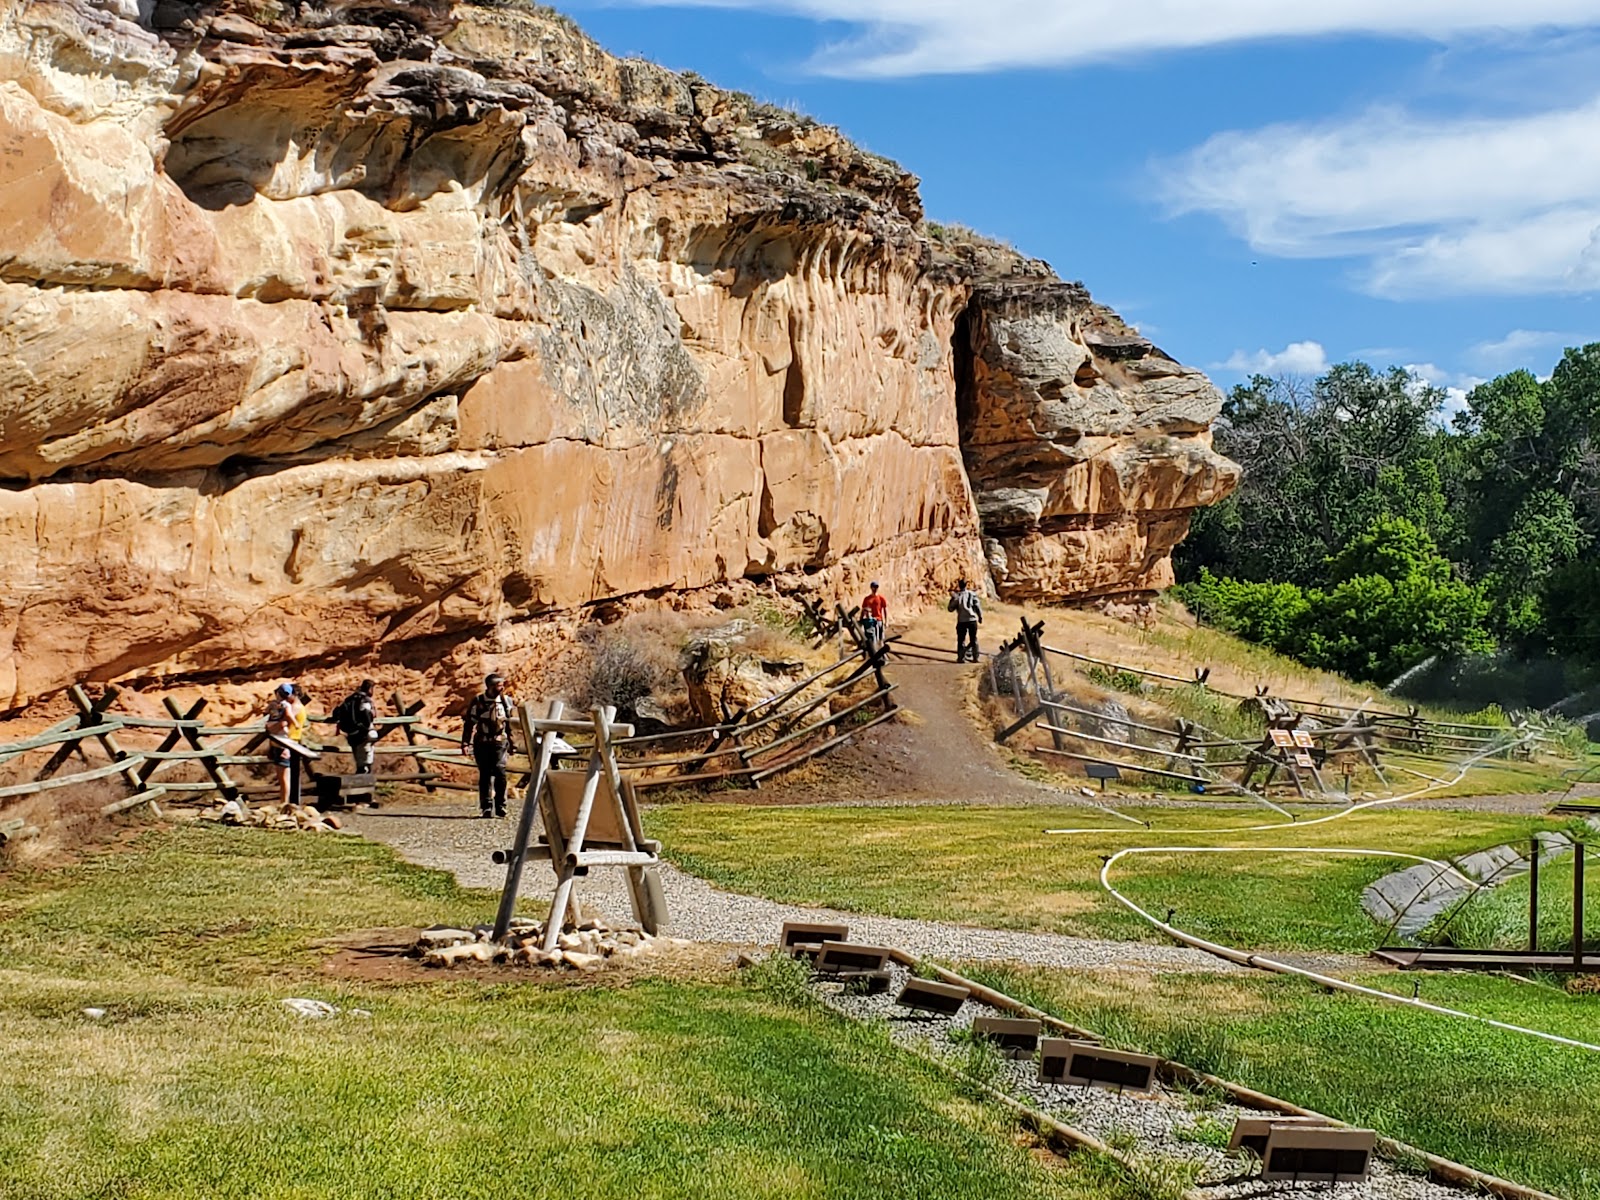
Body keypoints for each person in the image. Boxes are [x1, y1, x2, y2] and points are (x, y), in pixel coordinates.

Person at [461, 673, 515, 818]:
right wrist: (466, 742)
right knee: (485, 774)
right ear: (491, 687)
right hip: (482, 742)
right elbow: (469, 723)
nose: (502, 687)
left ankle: (501, 805)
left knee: (500, 771)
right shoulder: (478, 701)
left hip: (500, 742)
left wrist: (512, 743)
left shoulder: (507, 701)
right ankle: (486, 806)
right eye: (499, 685)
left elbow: (509, 723)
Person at [263, 682, 303, 806]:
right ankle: (285, 803)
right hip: (284, 742)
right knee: (284, 777)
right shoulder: (284, 705)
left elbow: (284, 722)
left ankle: (284, 804)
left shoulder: (290, 707)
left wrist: (269, 729)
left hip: (285, 743)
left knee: (284, 778)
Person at [333, 679, 379, 775]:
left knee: (359, 757)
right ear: (370, 688)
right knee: (367, 751)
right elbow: (366, 715)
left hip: (352, 732)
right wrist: (366, 725)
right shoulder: (364, 700)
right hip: (365, 732)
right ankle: (365, 775)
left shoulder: (350, 699)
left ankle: (361, 773)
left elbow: (337, 712)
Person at [948, 578, 983, 663]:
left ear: (959, 586)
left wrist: (952, 599)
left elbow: (950, 609)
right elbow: (977, 606)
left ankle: (961, 657)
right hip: (972, 619)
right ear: (966, 585)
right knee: (973, 639)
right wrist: (980, 616)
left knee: (961, 639)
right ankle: (975, 657)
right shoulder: (972, 594)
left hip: (962, 620)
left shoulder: (957, 596)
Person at [859, 581, 888, 650]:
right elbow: (863, 609)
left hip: (879, 620)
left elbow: (885, 610)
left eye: (877, 587)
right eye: (874, 587)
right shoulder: (867, 599)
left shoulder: (881, 598)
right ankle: (874, 651)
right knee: (872, 637)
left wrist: (886, 621)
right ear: (871, 588)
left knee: (880, 638)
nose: (875, 589)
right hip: (870, 621)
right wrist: (861, 619)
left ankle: (881, 651)